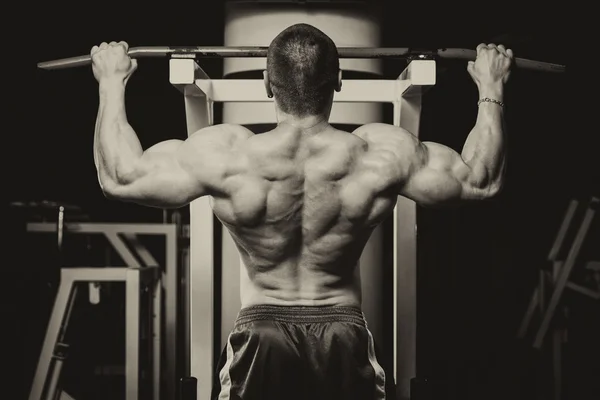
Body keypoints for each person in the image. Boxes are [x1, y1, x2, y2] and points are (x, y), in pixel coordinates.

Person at [90, 23, 512, 400]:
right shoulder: (380, 154)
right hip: (343, 336)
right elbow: (481, 180)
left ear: (267, 84)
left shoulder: (227, 156)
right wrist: (490, 87)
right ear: (339, 81)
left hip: (261, 335)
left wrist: (111, 81)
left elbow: (119, 177)